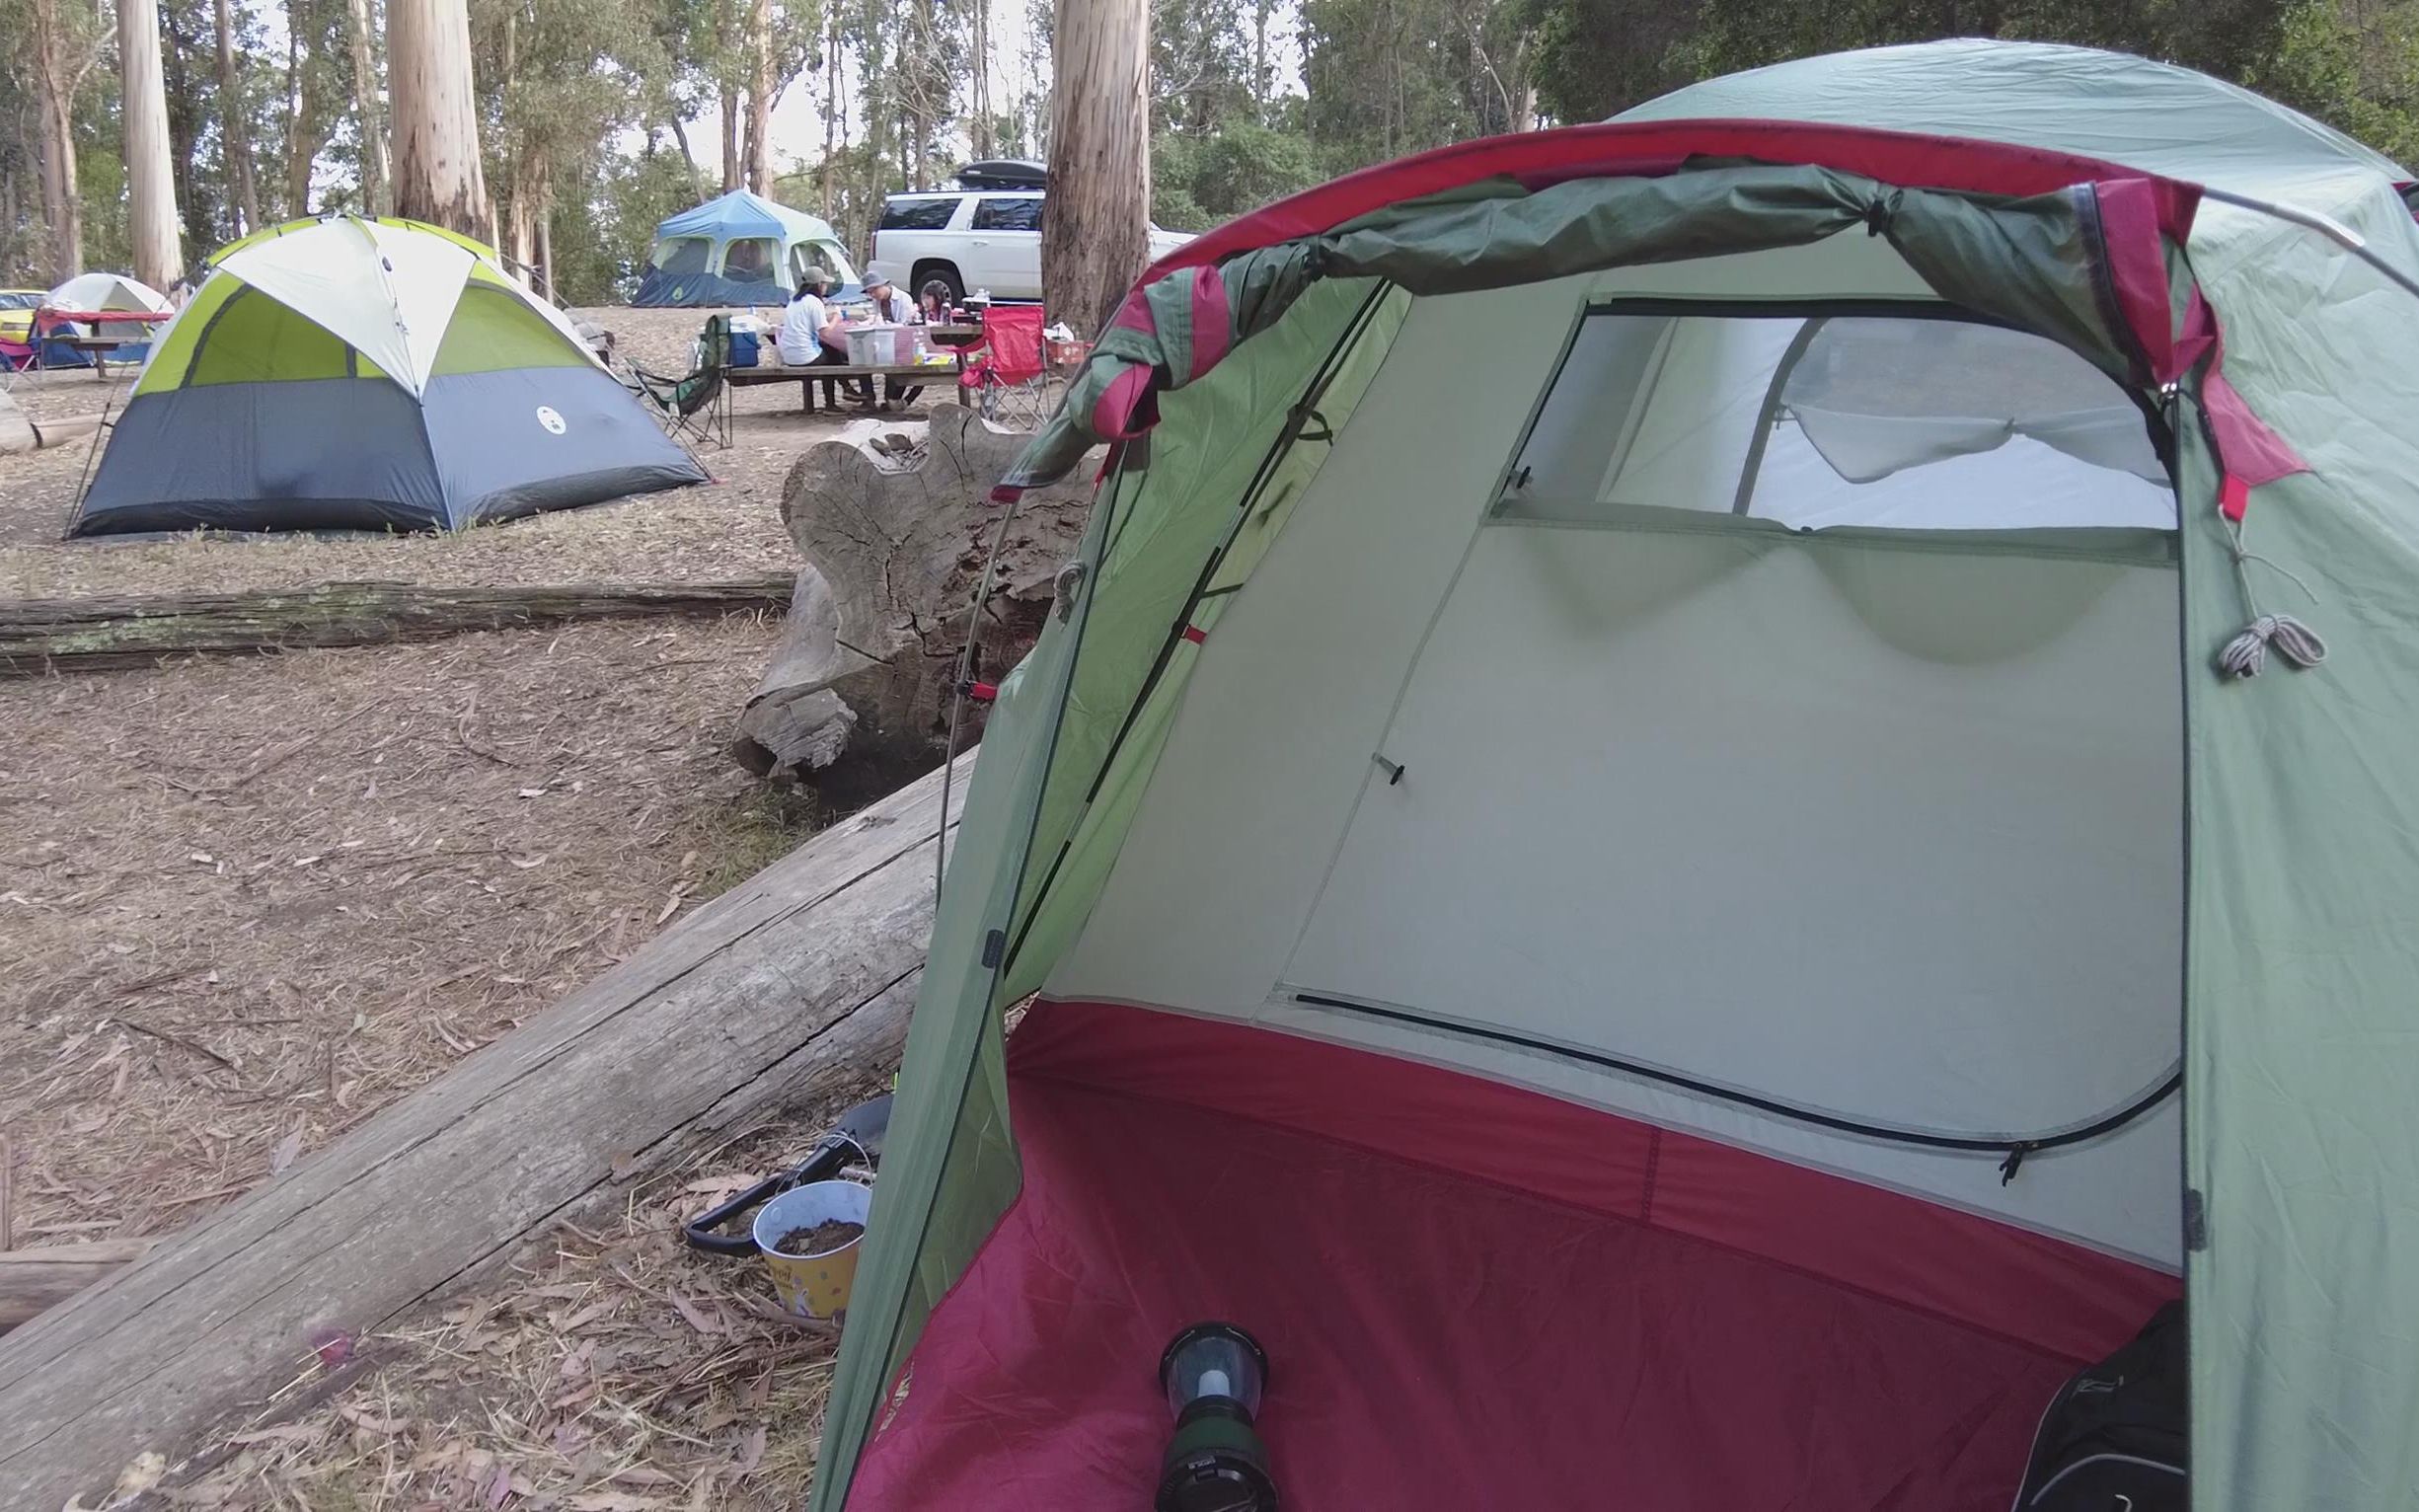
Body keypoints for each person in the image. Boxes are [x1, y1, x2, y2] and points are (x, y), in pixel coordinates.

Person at [777, 270, 870, 403]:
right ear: (819, 285)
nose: (826, 287)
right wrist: (836, 319)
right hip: (804, 356)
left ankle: (846, 390)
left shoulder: (794, 301)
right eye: (825, 284)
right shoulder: (815, 302)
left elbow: (810, 321)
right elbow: (825, 333)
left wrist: (828, 318)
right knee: (833, 355)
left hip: (788, 355)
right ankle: (835, 399)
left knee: (829, 353)